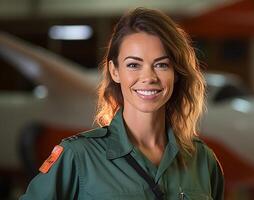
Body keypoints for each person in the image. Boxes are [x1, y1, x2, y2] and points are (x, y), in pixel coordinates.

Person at [20, 7, 224, 200]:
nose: (149, 77)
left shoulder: (202, 160)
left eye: (161, 65)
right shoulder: (78, 156)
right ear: (115, 71)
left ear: (176, 73)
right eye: (134, 65)